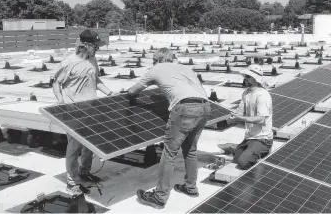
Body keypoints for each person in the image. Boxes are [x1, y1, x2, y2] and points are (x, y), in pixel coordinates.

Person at [126, 48, 211, 209]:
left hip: (185, 108)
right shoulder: (185, 68)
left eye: (153, 60)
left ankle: (159, 197)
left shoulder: (156, 69)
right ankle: (191, 188)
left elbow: (134, 90)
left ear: (157, 59)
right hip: (205, 107)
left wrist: (128, 95)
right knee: (191, 150)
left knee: (169, 152)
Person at [53, 29, 114, 195]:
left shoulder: (93, 60)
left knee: (89, 144)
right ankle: (72, 183)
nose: (98, 49)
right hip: (74, 110)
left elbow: (97, 81)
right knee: (74, 148)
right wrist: (61, 101)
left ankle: (84, 172)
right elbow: (56, 84)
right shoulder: (69, 62)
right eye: (96, 46)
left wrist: (110, 93)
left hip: (91, 109)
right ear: (86, 45)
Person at [224, 64, 273, 170]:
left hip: (262, 139)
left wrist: (240, 119)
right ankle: (249, 152)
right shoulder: (246, 93)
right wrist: (232, 118)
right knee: (236, 160)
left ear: (256, 79)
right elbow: (240, 113)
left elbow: (261, 119)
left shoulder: (262, 96)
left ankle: (264, 153)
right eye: (244, 76)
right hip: (249, 137)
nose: (245, 79)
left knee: (242, 163)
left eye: (248, 77)